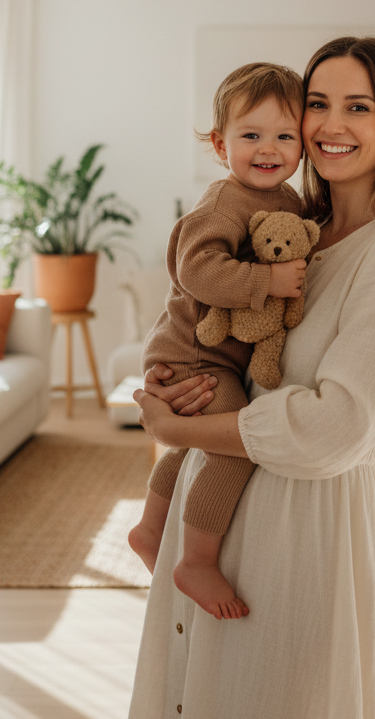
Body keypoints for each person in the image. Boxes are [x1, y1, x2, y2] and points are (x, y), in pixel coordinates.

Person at [111, 37, 375, 719]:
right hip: (218, 510)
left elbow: (337, 428)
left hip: (300, 534)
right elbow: (201, 306)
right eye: (319, 103)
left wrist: (184, 428)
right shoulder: (297, 230)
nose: (331, 124)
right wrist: (174, 388)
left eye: (358, 106)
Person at [127, 62, 309, 620]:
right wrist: (267, 281)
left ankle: (150, 529)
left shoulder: (290, 204)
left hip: (214, 354)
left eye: (285, 136)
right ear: (218, 144)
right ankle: (196, 562)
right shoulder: (223, 204)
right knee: (233, 449)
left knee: (188, 447)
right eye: (250, 135)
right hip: (193, 353)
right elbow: (196, 270)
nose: (268, 149)